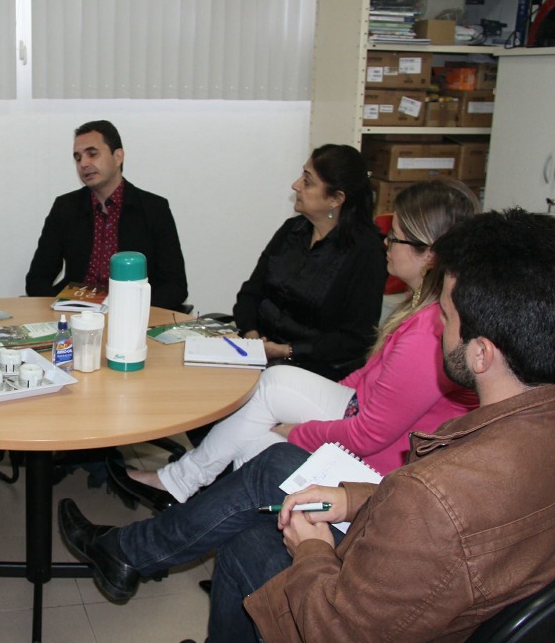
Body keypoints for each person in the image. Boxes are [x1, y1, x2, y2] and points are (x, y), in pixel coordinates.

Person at [59, 208, 555, 643]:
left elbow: (338, 640)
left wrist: (312, 548)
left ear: (481, 354)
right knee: (273, 473)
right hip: (437, 598)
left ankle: (129, 555)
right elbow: (423, 515)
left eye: (445, 317)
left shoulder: (434, 495)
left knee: (251, 536)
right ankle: (131, 555)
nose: (436, 324)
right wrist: (352, 499)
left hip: (367, 641)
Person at [116, 180, 479, 507]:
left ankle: (180, 485)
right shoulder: (420, 307)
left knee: (263, 431)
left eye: (396, 236)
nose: (387, 241)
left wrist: (299, 429)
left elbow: (370, 431)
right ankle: (196, 501)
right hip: (348, 402)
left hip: (373, 451)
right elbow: (369, 376)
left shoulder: (428, 329)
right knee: (265, 415)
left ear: (429, 253)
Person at [232, 144, 387, 380]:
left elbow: (356, 338)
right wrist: (252, 337)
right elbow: (250, 293)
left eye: (307, 180)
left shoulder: (366, 252)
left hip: (315, 370)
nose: (295, 185)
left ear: (336, 199)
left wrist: (286, 351)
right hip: (258, 356)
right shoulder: (291, 230)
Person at [24, 119, 189, 311]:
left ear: (118, 157)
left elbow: (175, 286)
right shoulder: (66, 208)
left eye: (92, 154)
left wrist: (132, 310)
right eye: (78, 158)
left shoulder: (153, 209)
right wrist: (59, 310)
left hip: (132, 311)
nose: (84, 164)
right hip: (77, 313)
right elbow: (37, 279)